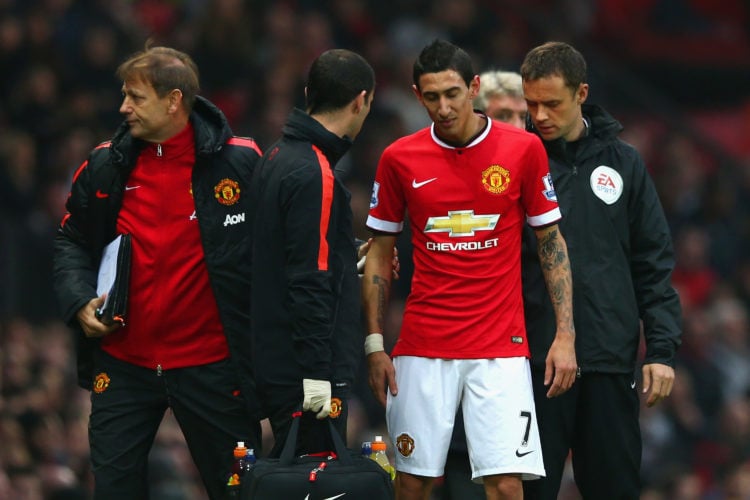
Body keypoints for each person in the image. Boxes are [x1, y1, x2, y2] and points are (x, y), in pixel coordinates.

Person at [362, 39, 577, 500]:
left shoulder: (523, 151)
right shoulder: (398, 158)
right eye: (432, 96)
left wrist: (566, 335)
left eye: (453, 93)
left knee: (504, 485)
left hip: (500, 349)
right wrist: (375, 344)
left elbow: (551, 243)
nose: (443, 106)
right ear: (417, 96)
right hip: (422, 347)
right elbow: (379, 251)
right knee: (412, 484)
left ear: (474, 88)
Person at [52, 45, 263, 500]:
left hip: (211, 366)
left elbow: (280, 244)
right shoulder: (106, 164)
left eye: (136, 97)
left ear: (173, 101)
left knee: (239, 493)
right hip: (124, 365)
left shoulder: (241, 162)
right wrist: (78, 300)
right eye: (124, 95)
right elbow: (70, 240)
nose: (123, 107)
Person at [519, 41, 683, 499]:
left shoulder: (624, 162)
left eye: (552, 103)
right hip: (534, 364)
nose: (541, 115)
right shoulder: (514, 161)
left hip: (609, 361)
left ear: (582, 93)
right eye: (531, 104)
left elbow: (652, 262)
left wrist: (662, 351)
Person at [248, 48, 376, 456]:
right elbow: (309, 282)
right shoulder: (314, 173)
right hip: (308, 375)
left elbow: (283, 256)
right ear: (361, 101)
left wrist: (348, 255)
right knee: (312, 480)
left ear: (308, 93)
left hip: (277, 362)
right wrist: (318, 384)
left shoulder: (276, 156)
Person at [442, 67, 530, 500]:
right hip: (461, 347)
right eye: (504, 115)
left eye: (521, 116)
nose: (515, 127)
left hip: (521, 353)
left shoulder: (537, 178)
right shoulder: (450, 175)